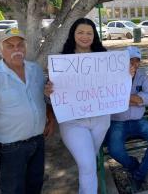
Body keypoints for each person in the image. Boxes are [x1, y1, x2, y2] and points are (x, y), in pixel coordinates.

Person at [0, 27, 55, 194]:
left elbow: (41, 98)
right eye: (10, 46)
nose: (16, 49)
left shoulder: (36, 70)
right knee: (13, 190)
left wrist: (50, 118)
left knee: (35, 186)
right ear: (1, 50)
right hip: (10, 149)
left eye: (20, 45)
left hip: (37, 143)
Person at [45, 18, 109, 194]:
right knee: (87, 164)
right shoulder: (61, 61)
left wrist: (128, 73)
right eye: (80, 32)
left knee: (89, 162)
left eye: (89, 33)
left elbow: (116, 85)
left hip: (100, 121)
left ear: (94, 35)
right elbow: (52, 99)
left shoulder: (105, 58)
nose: (85, 36)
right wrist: (48, 92)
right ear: (73, 34)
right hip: (73, 122)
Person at [106, 46, 148, 191]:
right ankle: (134, 165)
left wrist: (122, 98)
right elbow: (109, 97)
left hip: (138, 120)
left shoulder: (142, 75)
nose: (134, 63)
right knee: (115, 150)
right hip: (117, 121)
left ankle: (138, 176)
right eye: (130, 60)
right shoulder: (112, 76)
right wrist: (136, 99)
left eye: (137, 60)